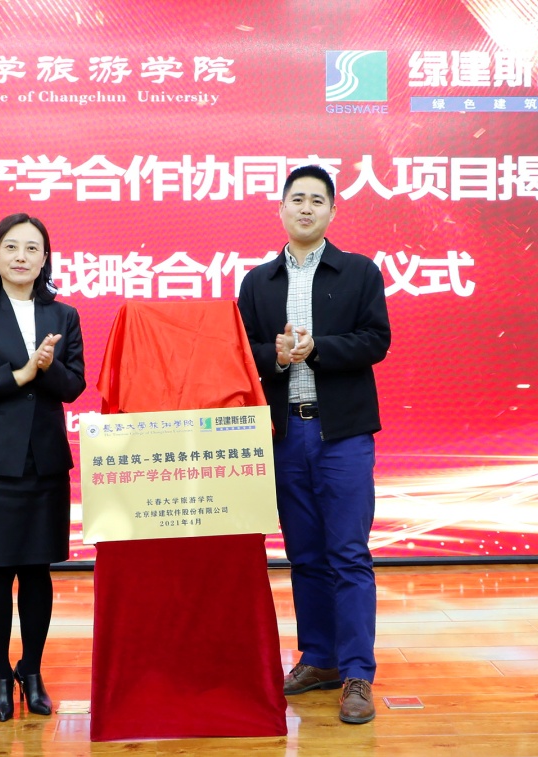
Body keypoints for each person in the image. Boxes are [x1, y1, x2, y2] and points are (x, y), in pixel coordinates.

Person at [237, 165, 391, 725]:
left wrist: (317, 349)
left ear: (332, 211)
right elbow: (242, 352)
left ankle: (356, 672)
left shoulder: (358, 272)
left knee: (347, 553)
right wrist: (276, 356)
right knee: (303, 554)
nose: (306, 208)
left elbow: (376, 340)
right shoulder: (258, 282)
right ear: (280, 208)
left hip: (341, 432)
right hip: (285, 434)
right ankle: (320, 657)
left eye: (317, 200)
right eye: (297, 199)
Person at [0, 213, 86, 722]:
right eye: (11, 247)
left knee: (37, 571)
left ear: (45, 258)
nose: (22, 256)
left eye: (32, 248)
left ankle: (32, 671)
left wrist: (46, 370)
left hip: (43, 462)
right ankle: (0, 675)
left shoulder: (63, 315)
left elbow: (73, 386)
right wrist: (23, 373)